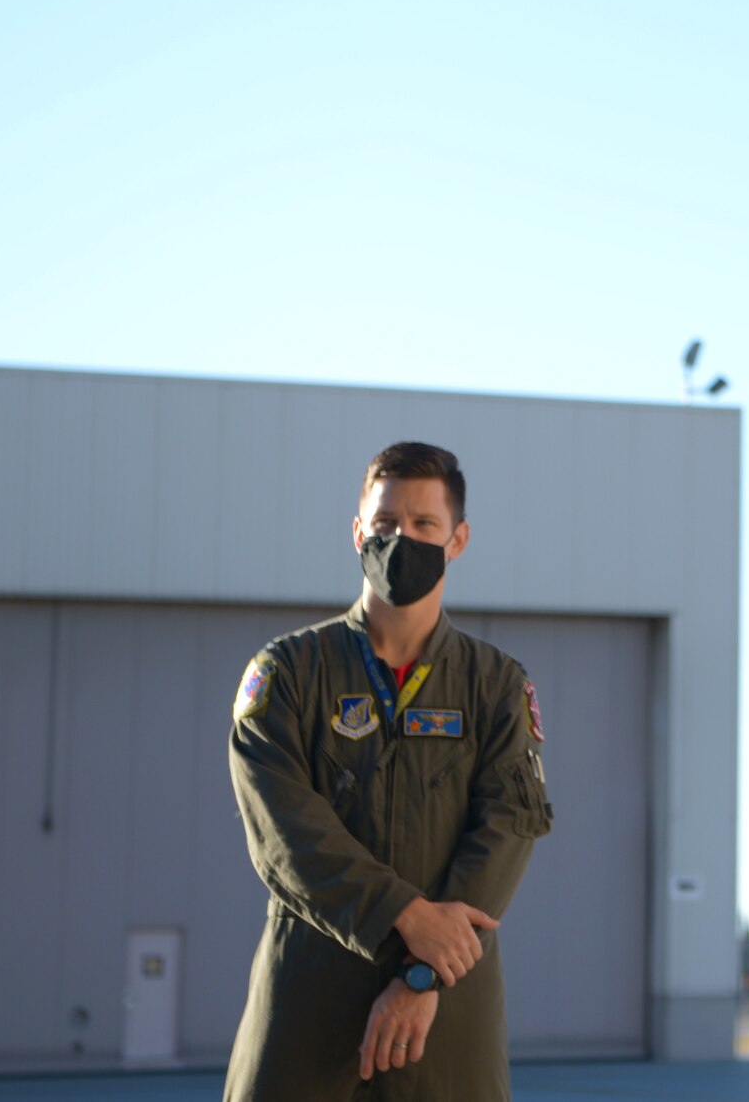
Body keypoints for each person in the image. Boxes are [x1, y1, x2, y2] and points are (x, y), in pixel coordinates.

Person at [225, 441, 553, 1102]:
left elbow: (509, 828)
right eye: (385, 524)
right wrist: (402, 911)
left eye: (424, 524)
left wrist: (422, 975)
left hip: (448, 1022)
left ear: (457, 538)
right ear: (357, 532)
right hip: (308, 1008)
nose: (402, 539)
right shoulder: (288, 673)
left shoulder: (495, 686)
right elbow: (285, 832)